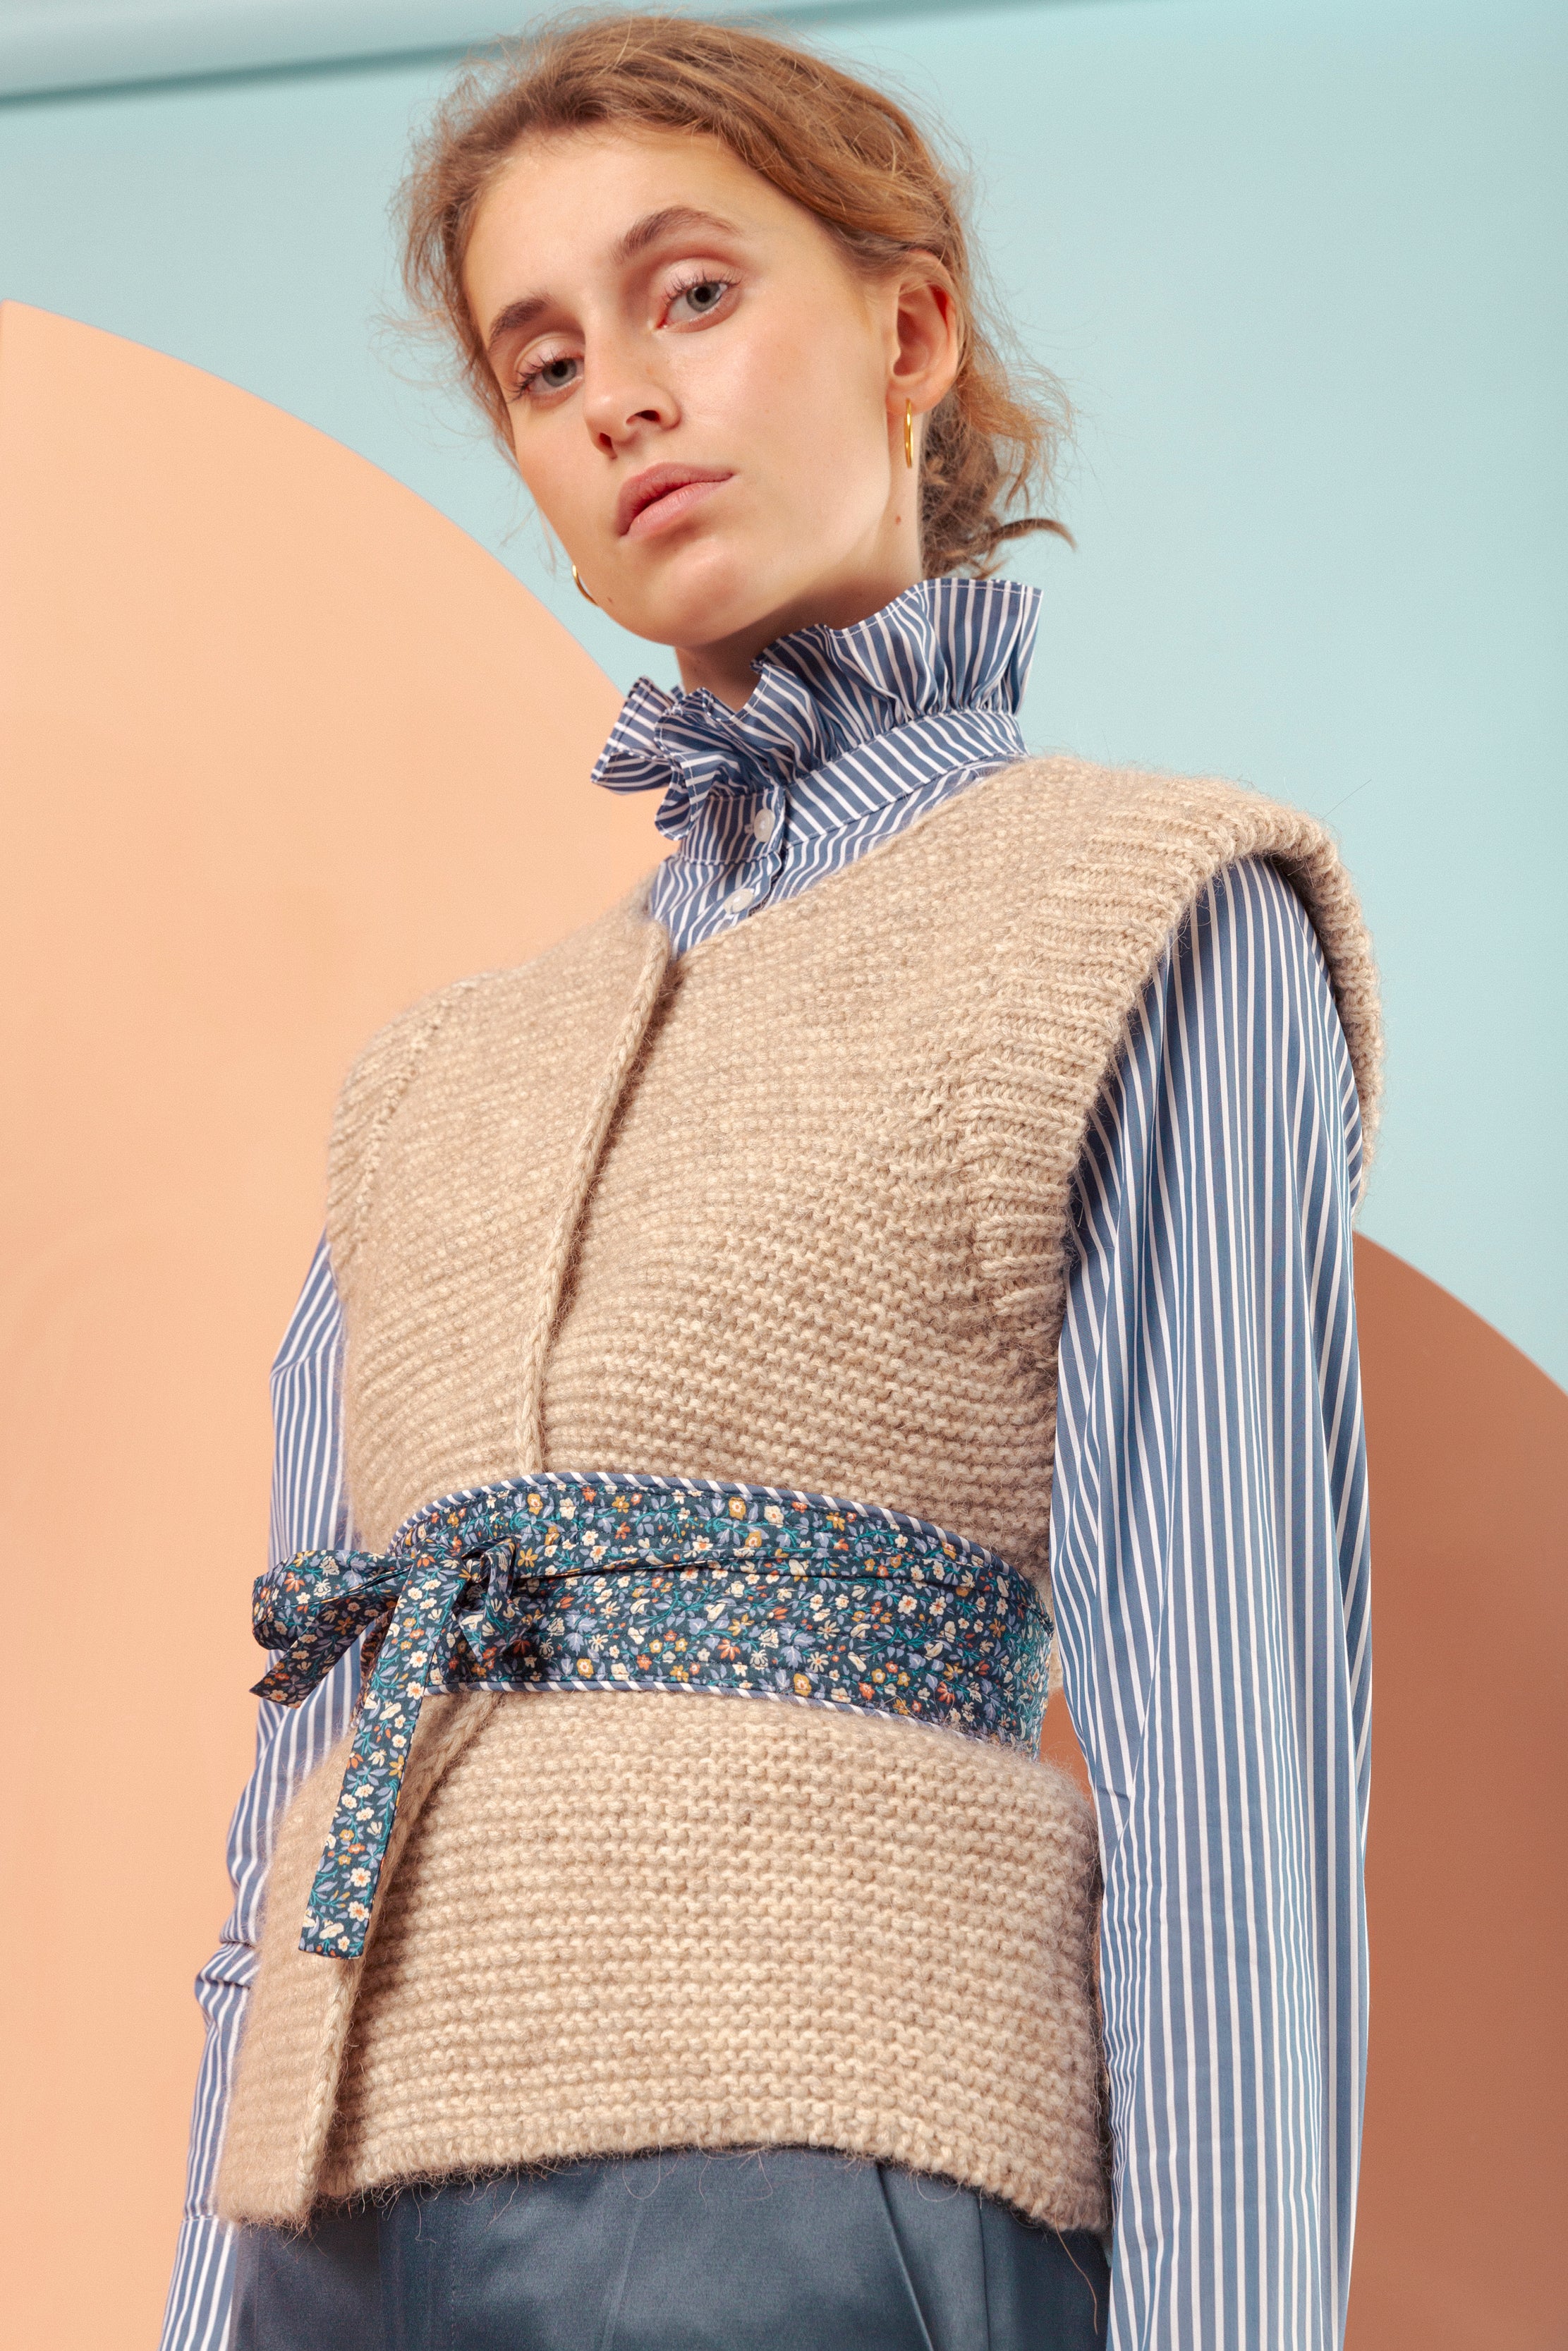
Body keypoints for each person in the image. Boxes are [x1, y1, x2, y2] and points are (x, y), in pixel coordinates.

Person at [159, 15, 1380, 2350]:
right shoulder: (431, 1085)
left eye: (689, 295)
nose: (616, 393)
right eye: (539, 360)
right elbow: (302, 1763)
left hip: (826, 2171)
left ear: (909, 329)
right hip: (345, 2217)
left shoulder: (1152, 912)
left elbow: (1232, 1781)